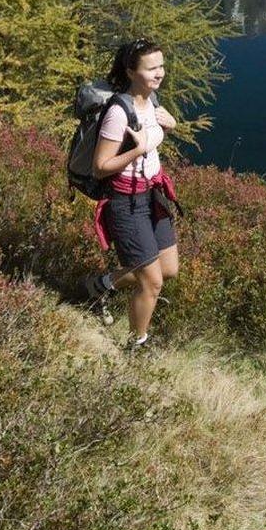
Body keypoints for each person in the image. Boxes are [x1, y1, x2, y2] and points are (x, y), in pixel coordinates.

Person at [83, 39, 182, 353]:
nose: (159, 74)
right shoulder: (118, 112)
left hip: (152, 195)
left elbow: (150, 142)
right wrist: (137, 149)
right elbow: (100, 167)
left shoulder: (152, 101)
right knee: (151, 282)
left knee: (168, 270)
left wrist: (170, 127)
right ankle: (136, 344)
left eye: (161, 66)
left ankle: (101, 284)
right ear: (130, 71)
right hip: (125, 202)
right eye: (151, 68)